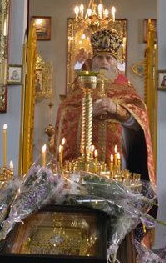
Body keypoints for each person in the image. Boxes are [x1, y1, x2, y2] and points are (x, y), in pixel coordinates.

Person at [55, 28, 155, 186]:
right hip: (82, 164)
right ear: (93, 60)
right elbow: (65, 116)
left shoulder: (127, 90)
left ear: (116, 62)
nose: (104, 62)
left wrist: (117, 110)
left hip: (118, 164)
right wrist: (88, 113)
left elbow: (139, 126)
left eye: (109, 58)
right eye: (99, 57)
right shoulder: (79, 88)